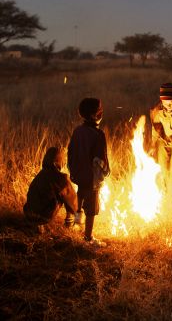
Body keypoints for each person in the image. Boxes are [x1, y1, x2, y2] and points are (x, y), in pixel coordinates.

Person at [67, 97, 111, 247]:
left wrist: (73, 170)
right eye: (100, 110)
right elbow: (100, 160)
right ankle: (88, 238)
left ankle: (77, 219)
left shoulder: (78, 131)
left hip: (79, 175)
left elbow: (70, 152)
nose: (102, 112)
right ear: (94, 115)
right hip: (92, 177)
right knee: (92, 208)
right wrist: (105, 173)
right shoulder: (98, 134)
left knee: (80, 194)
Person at [23, 147, 78, 233]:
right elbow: (73, 201)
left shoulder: (40, 174)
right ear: (58, 161)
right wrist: (78, 211)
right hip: (43, 216)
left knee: (56, 193)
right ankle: (69, 224)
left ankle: (38, 226)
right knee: (66, 196)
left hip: (28, 213)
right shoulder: (61, 177)